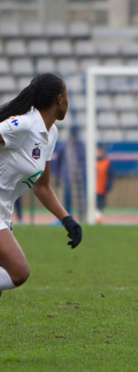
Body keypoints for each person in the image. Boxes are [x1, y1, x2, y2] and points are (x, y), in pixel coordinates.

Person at [0, 73, 83, 297]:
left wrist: (67, 219)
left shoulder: (50, 133)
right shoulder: (23, 124)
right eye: (68, 96)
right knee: (17, 272)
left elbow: (42, 186)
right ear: (60, 99)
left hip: (4, 211)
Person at [53, 125, 86, 222]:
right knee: (66, 200)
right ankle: (67, 218)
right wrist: (57, 176)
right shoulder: (64, 147)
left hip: (78, 178)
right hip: (66, 178)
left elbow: (84, 162)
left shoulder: (81, 146)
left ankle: (82, 218)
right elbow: (58, 163)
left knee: (80, 200)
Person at [95, 143, 113, 224]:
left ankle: (98, 220)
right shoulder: (91, 162)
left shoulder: (107, 162)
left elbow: (110, 175)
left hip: (102, 189)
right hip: (92, 189)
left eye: (100, 150)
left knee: (100, 206)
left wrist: (108, 186)